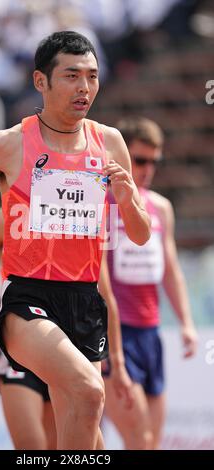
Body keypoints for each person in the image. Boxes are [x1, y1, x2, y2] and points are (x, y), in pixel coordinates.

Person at [0, 31, 151, 450]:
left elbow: (140, 235)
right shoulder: (6, 144)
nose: (84, 88)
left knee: (84, 430)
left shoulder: (110, 142)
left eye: (92, 76)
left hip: (86, 300)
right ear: (41, 81)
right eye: (72, 76)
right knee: (90, 391)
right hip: (28, 298)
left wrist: (127, 201)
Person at [103, 117, 198, 450]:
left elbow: (170, 269)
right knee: (138, 438)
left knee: (150, 442)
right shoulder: (100, 201)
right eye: (139, 160)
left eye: (154, 162)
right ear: (122, 156)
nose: (147, 169)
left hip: (150, 333)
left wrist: (186, 323)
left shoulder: (160, 207)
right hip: (113, 333)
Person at [0, 208, 56, 450]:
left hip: (62, 343)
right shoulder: (1, 218)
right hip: (16, 346)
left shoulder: (70, 212)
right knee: (32, 448)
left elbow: (99, 286)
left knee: (60, 447)